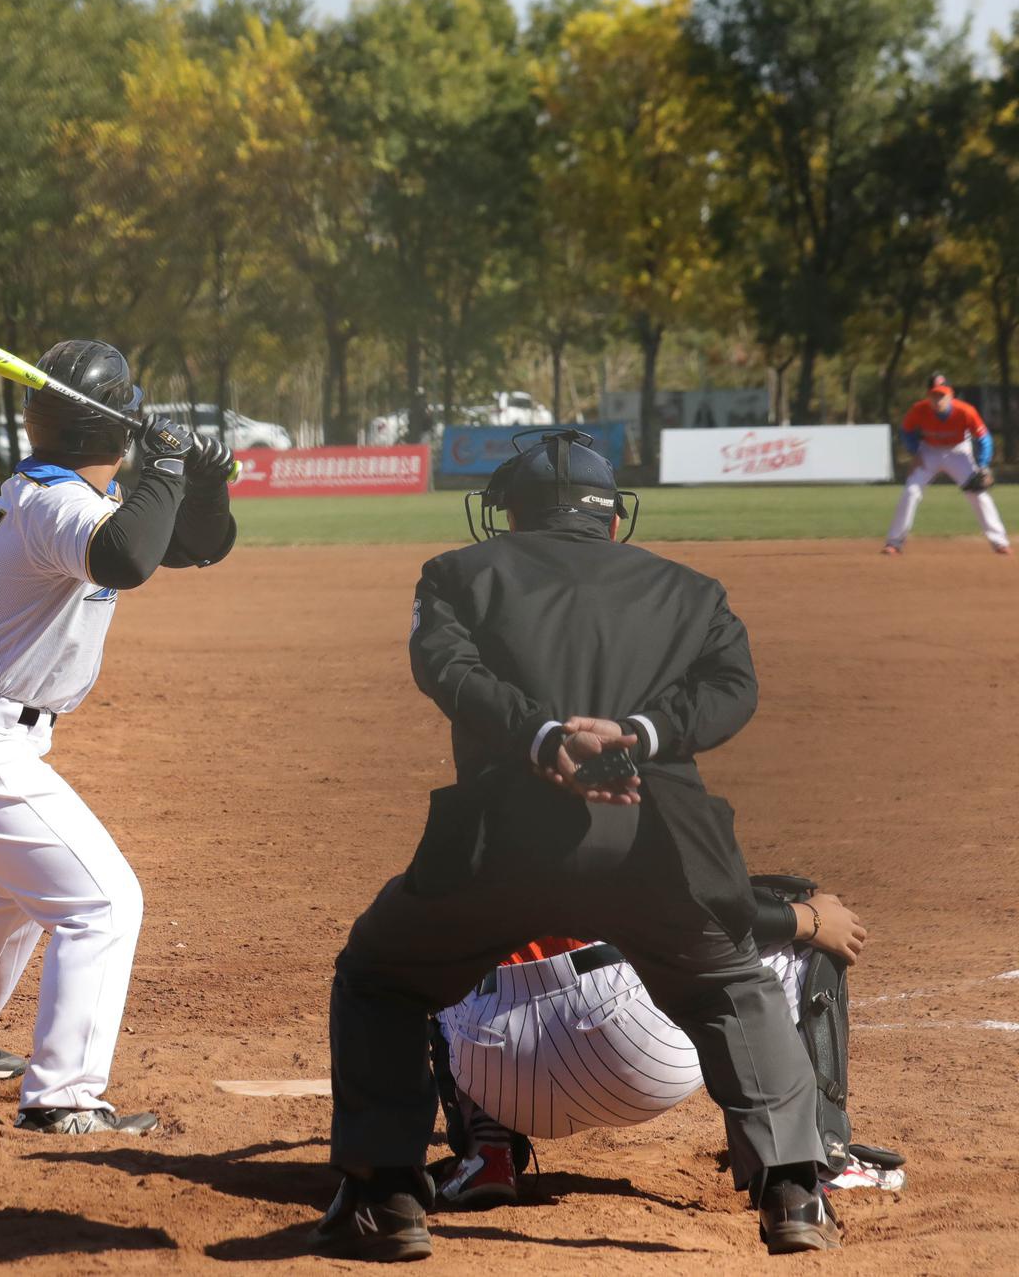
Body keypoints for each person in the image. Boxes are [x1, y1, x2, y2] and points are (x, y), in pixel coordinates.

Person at [314, 430, 841, 1262]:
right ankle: (792, 1192)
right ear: (610, 515)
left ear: (508, 513)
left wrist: (541, 734)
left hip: (506, 839)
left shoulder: (459, 572)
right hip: (659, 838)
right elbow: (734, 692)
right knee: (731, 986)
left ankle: (387, 1197)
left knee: (381, 976)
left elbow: (442, 666)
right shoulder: (691, 590)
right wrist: (643, 731)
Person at [0, 341, 235, 1136]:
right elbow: (128, 557)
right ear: (112, 429)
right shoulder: (54, 505)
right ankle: (64, 1096)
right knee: (103, 901)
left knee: (23, 881)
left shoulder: (58, 495)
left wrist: (202, 478)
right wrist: (165, 467)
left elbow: (194, 544)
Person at [430, 877, 906, 1209]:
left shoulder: (477, 806)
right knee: (808, 929)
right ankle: (820, 1158)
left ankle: (485, 1154)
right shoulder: (619, 789)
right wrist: (805, 917)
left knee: (433, 956)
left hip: (492, 1059)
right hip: (624, 1044)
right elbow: (700, 913)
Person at [883, 381, 1007, 556]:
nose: (938, 399)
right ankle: (894, 543)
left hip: (959, 451)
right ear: (928, 396)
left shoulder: (965, 411)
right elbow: (906, 431)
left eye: (942, 395)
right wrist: (914, 452)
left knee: (977, 492)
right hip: (929, 451)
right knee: (911, 491)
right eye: (934, 395)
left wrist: (983, 465)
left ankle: (999, 542)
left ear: (950, 396)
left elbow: (984, 438)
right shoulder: (918, 410)